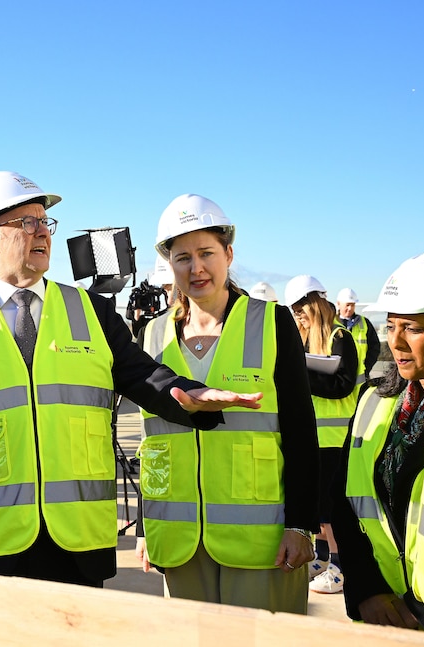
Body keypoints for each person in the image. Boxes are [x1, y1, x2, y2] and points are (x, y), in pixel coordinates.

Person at [0, 171, 262, 588]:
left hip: (77, 541)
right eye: (28, 223)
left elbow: (142, 374)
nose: (43, 232)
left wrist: (191, 394)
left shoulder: (90, 309)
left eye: (45, 222)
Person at [134, 194, 318, 614]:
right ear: (169, 264)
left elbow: (300, 431)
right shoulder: (151, 335)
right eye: (183, 257)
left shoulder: (271, 322)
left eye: (206, 253)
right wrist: (146, 526)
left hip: (261, 541)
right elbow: (152, 446)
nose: (196, 268)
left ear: (228, 254)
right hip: (179, 539)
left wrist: (302, 525)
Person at [331, 251, 424, 632]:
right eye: (391, 325)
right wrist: (367, 589)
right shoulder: (376, 402)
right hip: (393, 607)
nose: (396, 342)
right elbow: (345, 502)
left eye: (413, 328)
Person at [284, 274, 359, 594]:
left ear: (315, 303)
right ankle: (323, 557)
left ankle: (341, 567)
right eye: (294, 310)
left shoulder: (340, 336)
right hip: (308, 437)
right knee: (314, 507)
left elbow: (343, 384)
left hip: (335, 440)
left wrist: (303, 375)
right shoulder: (300, 339)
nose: (299, 314)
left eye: (302, 308)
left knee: (331, 510)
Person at [336, 287, 381, 380]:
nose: (350, 308)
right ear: (339, 304)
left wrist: (366, 368)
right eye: (347, 305)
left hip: (360, 378)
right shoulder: (330, 323)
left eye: (352, 305)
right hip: (337, 378)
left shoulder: (364, 323)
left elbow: (374, 347)